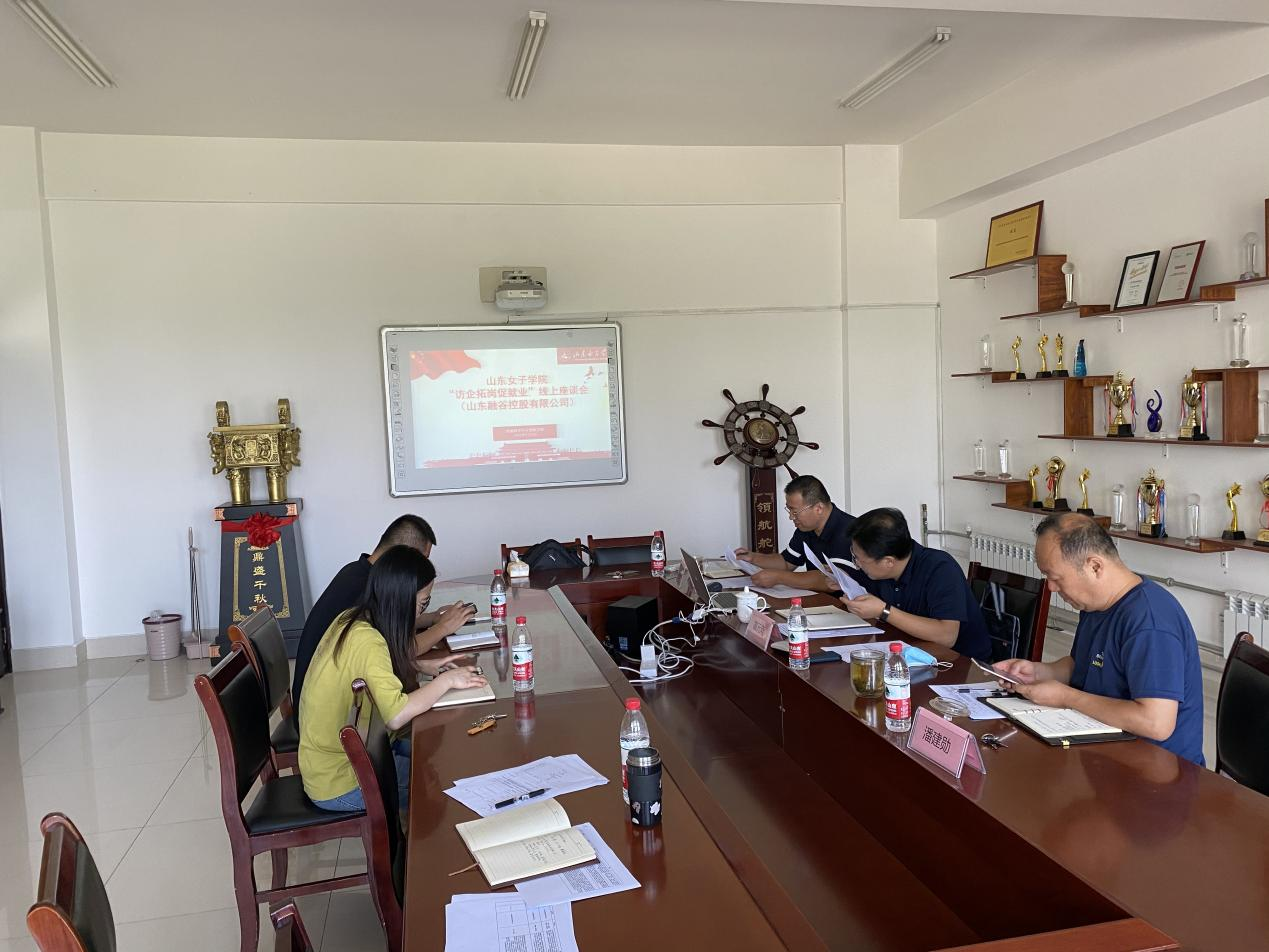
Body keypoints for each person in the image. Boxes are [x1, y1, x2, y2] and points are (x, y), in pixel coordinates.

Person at [994, 513, 1205, 766]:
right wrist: (1039, 672)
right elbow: (1081, 665)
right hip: (1105, 754)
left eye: (1056, 578)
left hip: (1158, 772)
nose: (1050, 588)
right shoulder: (1095, 605)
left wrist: (1066, 697)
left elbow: (1155, 723)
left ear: (1094, 567)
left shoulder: (1149, 622)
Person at [299, 545, 487, 812]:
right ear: (400, 599)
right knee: (447, 784)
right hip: (343, 782)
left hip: (334, 764)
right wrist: (446, 681)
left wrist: (419, 665)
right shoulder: (368, 640)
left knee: (440, 754)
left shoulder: (351, 619)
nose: (421, 613)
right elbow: (396, 715)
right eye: (422, 604)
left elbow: (370, 668)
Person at [292, 515, 475, 714]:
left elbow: (388, 623)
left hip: (325, 704)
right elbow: (400, 649)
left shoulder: (358, 573)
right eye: (420, 560)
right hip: (332, 713)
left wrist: (430, 619)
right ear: (401, 558)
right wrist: (443, 629)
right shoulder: (362, 598)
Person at [843, 507, 991, 660]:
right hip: (909, 652)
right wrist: (847, 585)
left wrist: (883, 611)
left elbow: (947, 637)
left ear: (888, 562)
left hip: (959, 663)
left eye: (859, 559)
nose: (857, 564)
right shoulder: (882, 569)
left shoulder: (940, 569)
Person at [734, 475, 856, 592]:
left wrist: (779, 577)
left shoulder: (849, 531)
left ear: (818, 508)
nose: (791, 517)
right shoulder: (806, 528)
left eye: (795, 512)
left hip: (847, 603)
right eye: (789, 510)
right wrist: (753, 558)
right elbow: (786, 563)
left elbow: (832, 581)